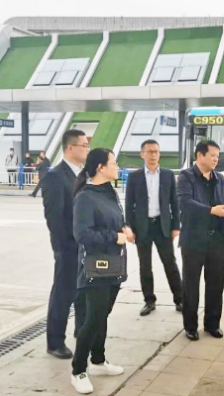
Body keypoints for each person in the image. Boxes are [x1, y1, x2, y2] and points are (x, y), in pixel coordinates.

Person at [71, 148, 133, 394]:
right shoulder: (85, 198)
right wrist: (114, 237)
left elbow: (117, 220)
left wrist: (125, 228)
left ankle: (98, 360)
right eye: (114, 163)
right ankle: (78, 370)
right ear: (100, 167)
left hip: (114, 265)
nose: (118, 167)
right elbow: (82, 235)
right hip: (95, 268)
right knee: (93, 319)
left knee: (102, 316)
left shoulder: (110, 192)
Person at [177, 140, 224, 341]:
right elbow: (184, 203)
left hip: (218, 240)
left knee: (216, 284)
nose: (216, 159)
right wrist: (211, 211)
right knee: (191, 285)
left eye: (218, 156)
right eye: (212, 155)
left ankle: (212, 324)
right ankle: (190, 326)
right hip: (194, 240)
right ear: (200, 156)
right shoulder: (186, 177)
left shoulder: (221, 179)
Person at [42, 130, 89, 359]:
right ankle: (55, 342)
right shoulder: (55, 176)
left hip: (85, 246)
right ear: (70, 148)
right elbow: (54, 218)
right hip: (68, 248)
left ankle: (82, 331)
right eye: (84, 145)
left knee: (83, 293)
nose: (87, 149)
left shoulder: (83, 174)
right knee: (63, 294)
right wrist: (64, 248)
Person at [125, 140, 183, 316]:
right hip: (142, 227)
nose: (153, 155)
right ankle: (149, 301)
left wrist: (176, 226)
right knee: (145, 265)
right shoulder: (134, 177)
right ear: (142, 154)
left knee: (170, 263)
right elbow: (129, 205)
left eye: (156, 151)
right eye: (149, 151)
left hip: (162, 225)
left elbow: (175, 202)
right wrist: (129, 227)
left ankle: (180, 299)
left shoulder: (167, 175)